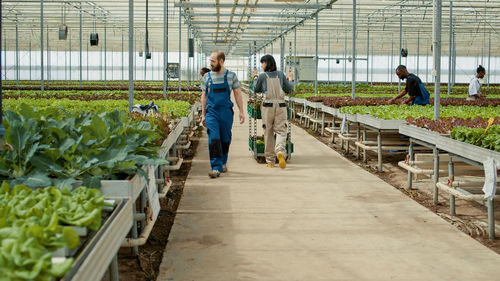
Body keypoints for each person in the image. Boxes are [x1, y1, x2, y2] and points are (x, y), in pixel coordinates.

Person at [201, 50, 245, 178]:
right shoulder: (207, 77)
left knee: (225, 139)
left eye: (213, 61)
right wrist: (203, 114)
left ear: (221, 61)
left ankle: (223, 161)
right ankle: (216, 167)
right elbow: (204, 96)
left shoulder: (231, 76)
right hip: (212, 112)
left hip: (226, 112)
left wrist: (241, 111)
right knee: (214, 138)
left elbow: (237, 94)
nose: (211, 64)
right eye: (210, 61)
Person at [253, 55, 293, 169]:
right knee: (281, 130)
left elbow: (255, 89)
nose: (261, 65)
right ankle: (280, 151)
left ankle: (270, 161)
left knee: (268, 131)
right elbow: (289, 88)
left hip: (268, 106)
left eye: (262, 63)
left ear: (266, 63)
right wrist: (290, 78)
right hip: (281, 105)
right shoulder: (280, 74)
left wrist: (255, 77)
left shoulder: (262, 76)